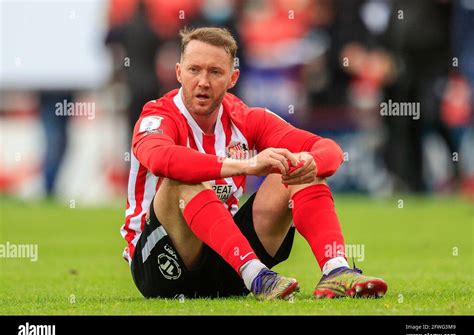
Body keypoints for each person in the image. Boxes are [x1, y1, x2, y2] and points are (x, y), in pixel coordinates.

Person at [120, 27, 388, 300]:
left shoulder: (246, 118)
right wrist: (245, 166)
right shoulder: (157, 115)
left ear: (232, 78)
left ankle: (335, 270)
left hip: (227, 262)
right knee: (181, 180)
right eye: (194, 70)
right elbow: (161, 159)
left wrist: (312, 162)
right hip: (161, 264)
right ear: (178, 72)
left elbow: (328, 149)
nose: (202, 81)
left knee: (296, 166)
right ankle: (257, 276)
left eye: (215, 72)